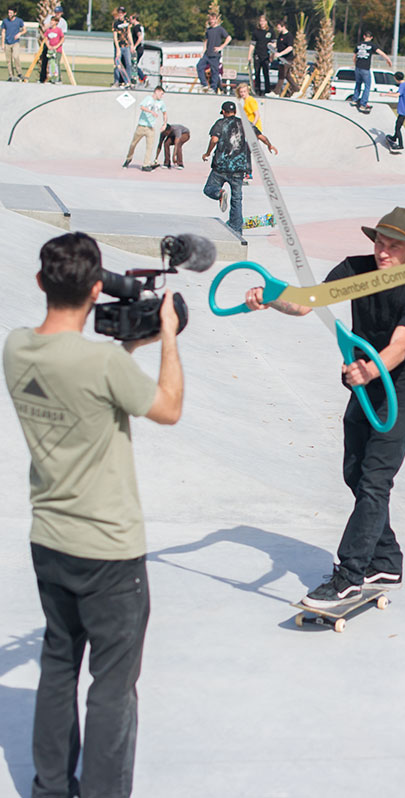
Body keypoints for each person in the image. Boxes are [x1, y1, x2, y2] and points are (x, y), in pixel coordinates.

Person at [3, 231, 183, 798]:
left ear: (40, 283)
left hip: (50, 541)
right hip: (109, 550)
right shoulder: (104, 364)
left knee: (59, 664)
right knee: (111, 685)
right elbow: (168, 408)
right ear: (97, 287)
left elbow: (82, 378)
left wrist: (125, 351)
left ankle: (50, 788)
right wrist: (169, 339)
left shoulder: (15, 348)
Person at [242, 208, 405, 608]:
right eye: (380, 242)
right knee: (354, 471)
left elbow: (399, 348)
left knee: (375, 478)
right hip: (365, 375)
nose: (383, 252)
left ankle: (350, 576)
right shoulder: (354, 269)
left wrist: (371, 370)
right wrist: (270, 299)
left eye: (394, 246)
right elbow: (304, 304)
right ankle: (386, 560)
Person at [202, 101, 278, 235]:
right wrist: (270, 145)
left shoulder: (220, 123)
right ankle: (236, 229)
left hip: (221, 166)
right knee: (237, 199)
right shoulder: (245, 124)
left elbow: (214, 140)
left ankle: (219, 193)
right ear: (235, 112)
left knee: (209, 188)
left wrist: (207, 153)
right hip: (238, 168)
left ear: (224, 112)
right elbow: (260, 137)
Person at [122, 85, 165, 172]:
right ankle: (128, 158)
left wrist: (164, 123)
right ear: (156, 91)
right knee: (133, 144)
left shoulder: (161, 103)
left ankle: (146, 165)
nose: (162, 96)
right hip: (141, 126)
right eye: (161, 93)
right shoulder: (148, 98)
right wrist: (151, 112)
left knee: (150, 147)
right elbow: (141, 107)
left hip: (150, 128)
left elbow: (164, 113)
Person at [350, 30, 392, 110]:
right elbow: (381, 53)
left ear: (364, 36)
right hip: (365, 68)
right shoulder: (372, 45)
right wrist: (388, 59)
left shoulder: (358, 45)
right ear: (371, 38)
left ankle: (354, 100)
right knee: (367, 86)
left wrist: (356, 65)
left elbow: (354, 57)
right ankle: (363, 104)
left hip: (358, 68)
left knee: (358, 84)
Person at [196, 12, 230, 93]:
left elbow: (228, 38)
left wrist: (221, 47)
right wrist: (203, 51)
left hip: (215, 55)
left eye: (213, 19)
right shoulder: (208, 30)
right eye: (210, 19)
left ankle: (213, 88)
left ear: (216, 20)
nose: (211, 21)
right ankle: (204, 84)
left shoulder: (220, 29)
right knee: (199, 66)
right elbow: (206, 41)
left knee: (215, 71)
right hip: (207, 54)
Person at [386, 71, 405, 151]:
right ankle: (394, 138)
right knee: (397, 124)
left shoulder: (402, 85)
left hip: (403, 110)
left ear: (396, 79)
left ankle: (400, 145)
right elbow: (399, 92)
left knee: (398, 128)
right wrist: (391, 92)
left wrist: (386, 95)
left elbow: (397, 95)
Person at [40, 6, 65, 84]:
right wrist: (48, 46)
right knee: (48, 62)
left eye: (58, 13)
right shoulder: (49, 20)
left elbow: (63, 37)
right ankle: (45, 78)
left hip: (57, 48)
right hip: (49, 47)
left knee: (56, 63)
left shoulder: (62, 25)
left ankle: (58, 78)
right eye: (55, 12)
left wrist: (56, 46)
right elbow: (45, 34)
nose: (56, 14)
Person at [250, 15, 273, 96]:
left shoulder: (270, 31)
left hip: (266, 55)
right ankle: (257, 90)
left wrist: (272, 55)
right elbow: (252, 44)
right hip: (257, 54)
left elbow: (274, 44)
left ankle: (267, 90)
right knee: (257, 73)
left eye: (263, 21)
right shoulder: (256, 32)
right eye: (261, 21)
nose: (262, 23)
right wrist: (249, 55)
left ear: (266, 22)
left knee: (266, 73)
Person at [111, 7, 133, 89]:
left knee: (128, 64)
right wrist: (117, 48)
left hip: (126, 46)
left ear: (124, 13)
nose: (120, 14)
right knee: (117, 64)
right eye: (119, 13)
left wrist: (132, 45)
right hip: (119, 46)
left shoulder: (127, 22)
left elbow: (129, 33)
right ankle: (116, 81)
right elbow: (115, 37)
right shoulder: (116, 23)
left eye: (122, 13)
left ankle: (128, 81)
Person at [3, 7, 25, 81]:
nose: (9, 14)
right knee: (8, 60)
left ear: (15, 13)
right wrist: (2, 44)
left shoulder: (19, 21)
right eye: (8, 13)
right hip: (7, 43)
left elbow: (25, 30)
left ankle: (19, 73)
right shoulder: (5, 21)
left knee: (16, 56)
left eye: (11, 13)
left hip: (15, 42)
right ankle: (11, 75)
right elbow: (3, 32)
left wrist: (20, 33)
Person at [272, 20, 294, 95]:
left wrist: (280, 54)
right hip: (281, 59)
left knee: (281, 75)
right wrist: (272, 45)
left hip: (287, 59)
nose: (277, 30)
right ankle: (297, 90)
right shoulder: (280, 35)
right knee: (287, 76)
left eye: (279, 28)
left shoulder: (289, 36)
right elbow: (278, 45)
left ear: (283, 27)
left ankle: (276, 92)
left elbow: (290, 48)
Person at [130, 12, 145, 84]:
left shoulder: (136, 27)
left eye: (131, 19)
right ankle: (140, 78)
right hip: (141, 48)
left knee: (133, 64)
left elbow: (140, 37)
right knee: (133, 65)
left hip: (138, 49)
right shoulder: (140, 27)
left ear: (134, 19)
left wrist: (134, 46)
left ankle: (142, 77)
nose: (130, 21)